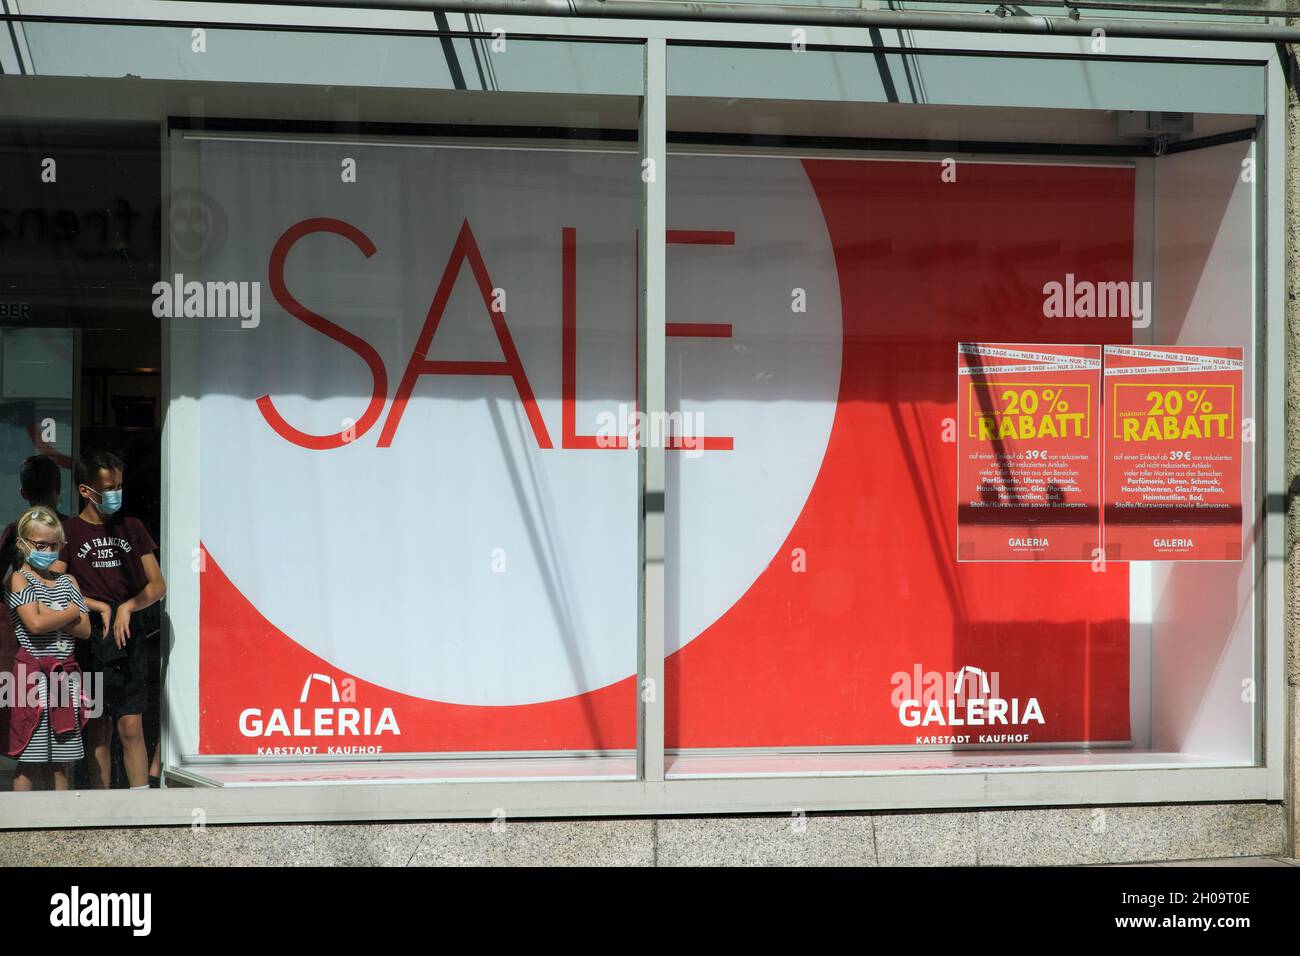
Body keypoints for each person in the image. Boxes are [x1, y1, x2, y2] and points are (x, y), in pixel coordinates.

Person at [60, 451, 166, 791]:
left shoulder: (132, 527)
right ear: (85, 490)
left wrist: (127, 607)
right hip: (89, 636)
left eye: (119, 486)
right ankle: (101, 807)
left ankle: (141, 804)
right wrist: (97, 606)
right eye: (108, 487)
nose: (115, 494)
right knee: (98, 726)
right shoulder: (68, 532)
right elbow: (60, 587)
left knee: (131, 725)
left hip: (127, 635)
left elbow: (157, 584)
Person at [6, 505, 91, 790]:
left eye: (55, 545)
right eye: (41, 545)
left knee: (61, 760)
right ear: (23, 544)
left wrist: (48, 614)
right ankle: (20, 826)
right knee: (30, 757)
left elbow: (86, 629)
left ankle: (61, 826)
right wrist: (70, 612)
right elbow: (35, 625)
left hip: (64, 678)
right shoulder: (19, 578)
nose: (49, 550)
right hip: (31, 679)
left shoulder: (68, 580)